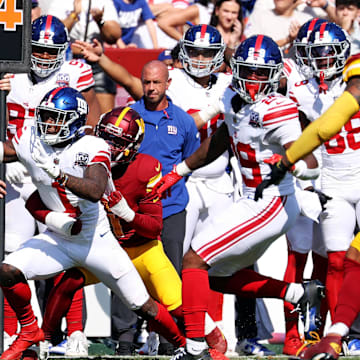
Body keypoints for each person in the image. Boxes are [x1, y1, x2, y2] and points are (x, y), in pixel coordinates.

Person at [153, 34, 326, 360]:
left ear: (276, 73)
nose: (254, 79)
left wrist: (297, 165)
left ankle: (195, 349)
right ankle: (296, 292)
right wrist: (180, 171)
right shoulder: (232, 94)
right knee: (215, 277)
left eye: (262, 73)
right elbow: (221, 137)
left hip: (271, 202)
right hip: (248, 199)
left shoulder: (279, 109)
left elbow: (308, 160)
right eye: (248, 70)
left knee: (193, 260)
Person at [0, 86, 199, 360]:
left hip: (96, 240)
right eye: (46, 116)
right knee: (8, 271)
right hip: (60, 237)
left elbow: (95, 189)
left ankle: (183, 345)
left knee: (142, 305)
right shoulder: (30, 138)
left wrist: (60, 175)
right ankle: (30, 331)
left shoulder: (92, 145)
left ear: (75, 121)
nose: (49, 124)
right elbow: (5, 151)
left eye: (57, 118)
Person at [4, 14, 102, 355]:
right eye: (39, 50)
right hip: (14, 168)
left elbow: (92, 120)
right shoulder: (8, 70)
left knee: (68, 252)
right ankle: (13, 329)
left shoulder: (75, 72)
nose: (45, 57)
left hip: (56, 169)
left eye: (51, 51)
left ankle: (74, 332)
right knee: (13, 251)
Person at [44, 0, 121, 114]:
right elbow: (53, 33)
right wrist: (74, 15)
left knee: (105, 116)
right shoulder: (59, 2)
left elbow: (114, 35)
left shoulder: (104, 2)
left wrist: (100, 21)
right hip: (67, 60)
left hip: (96, 62)